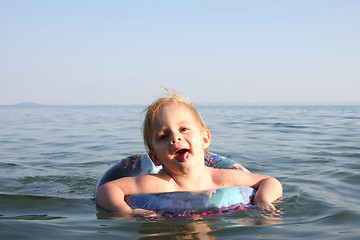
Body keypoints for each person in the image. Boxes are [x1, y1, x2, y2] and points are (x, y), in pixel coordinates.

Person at [96, 88, 283, 213]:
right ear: (155, 158)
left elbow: (270, 181)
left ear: (204, 139)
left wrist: (262, 200)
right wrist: (126, 213)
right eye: (163, 136)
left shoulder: (221, 178)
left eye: (184, 129)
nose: (175, 138)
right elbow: (108, 189)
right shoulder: (157, 184)